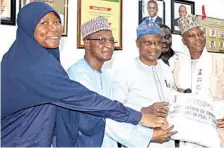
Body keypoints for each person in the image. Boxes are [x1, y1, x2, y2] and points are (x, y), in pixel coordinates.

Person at [1, 2, 164, 147]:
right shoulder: (35, 66)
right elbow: (90, 103)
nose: (54, 28)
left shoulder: (32, 58)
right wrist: (140, 119)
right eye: (44, 23)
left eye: (57, 22)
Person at [66, 16, 171, 147]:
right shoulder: (78, 75)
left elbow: (117, 113)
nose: (109, 45)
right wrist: (148, 135)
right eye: (102, 40)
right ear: (87, 43)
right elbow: (104, 118)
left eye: (111, 40)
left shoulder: (105, 75)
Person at [174, 14, 224, 148]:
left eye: (200, 34)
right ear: (183, 41)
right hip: (188, 131)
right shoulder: (178, 65)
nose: (198, 38)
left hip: (215, 128)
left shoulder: (219, 61)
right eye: (191, 36)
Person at [113, 19, 177, 148]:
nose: (154, 47)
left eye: (157, 42)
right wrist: (144, 110)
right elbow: (115, 110)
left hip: (167, 141)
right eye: (148, 42)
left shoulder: (166, 69)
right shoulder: (125, 71)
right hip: (140, 141)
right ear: (137, 43)